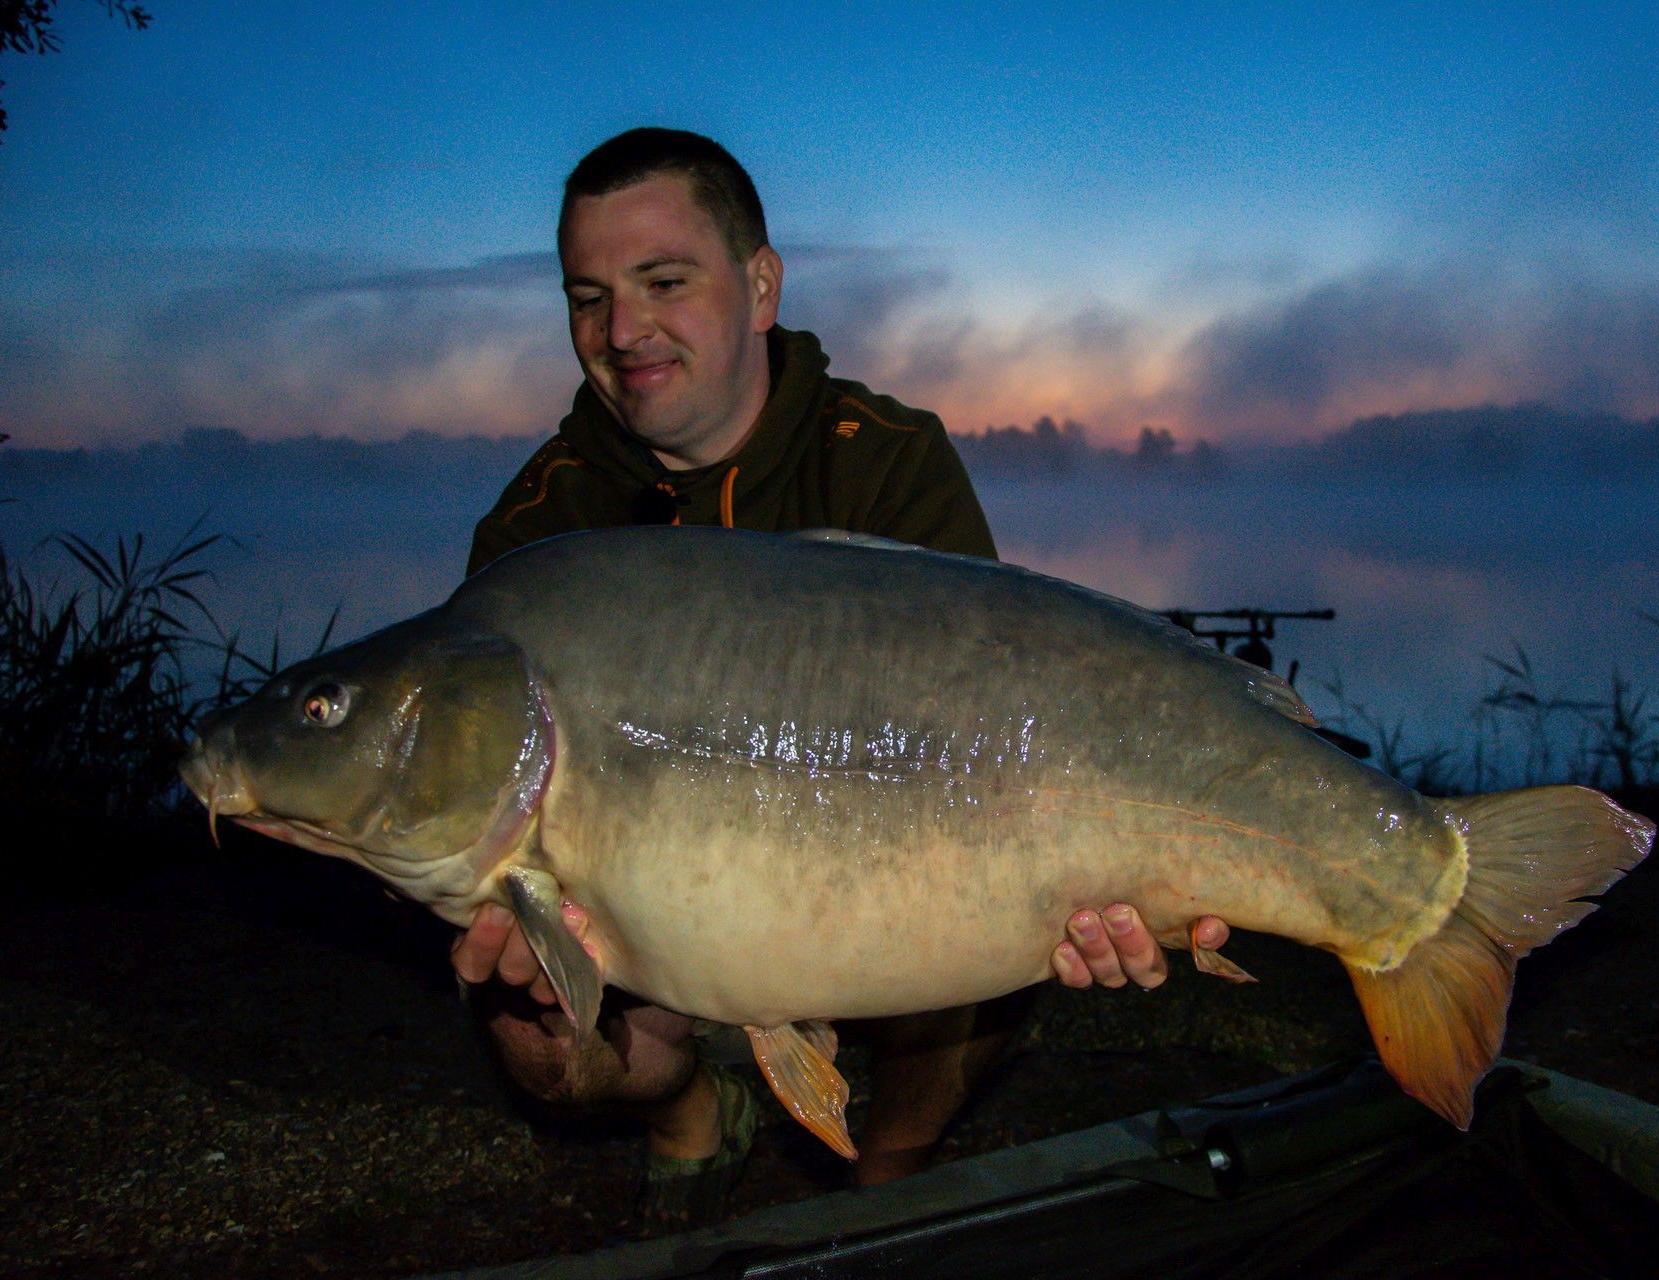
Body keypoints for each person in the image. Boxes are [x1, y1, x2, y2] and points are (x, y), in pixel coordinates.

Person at [451, 127, 1230, 1222]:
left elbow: (1004, 727)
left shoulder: (886, 457)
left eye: (664, 281)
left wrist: (1107, 873)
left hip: (889, 892)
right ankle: (686, 1103)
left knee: (1011, 909)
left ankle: (892, 1159)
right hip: (657, 923)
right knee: (529, 1025)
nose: (623, 331)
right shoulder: (543, 532)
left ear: (759, 285)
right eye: (589, 296)